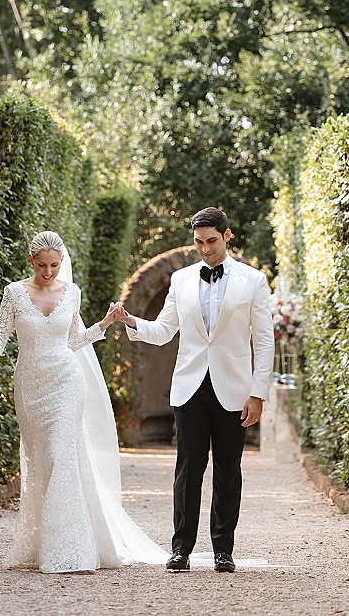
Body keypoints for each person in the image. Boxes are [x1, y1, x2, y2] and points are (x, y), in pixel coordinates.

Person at [0, 230, 167, 573]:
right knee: (42, 461)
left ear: (62, 263)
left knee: (62, 453)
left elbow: (74, 340)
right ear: (31, 261)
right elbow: (0, 338)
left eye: (55, 266)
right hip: (30, 385)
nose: (49, 272)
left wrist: (105, 323)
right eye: (42, 265)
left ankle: (72, 550)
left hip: (66, 382)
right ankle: (45, 543)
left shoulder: (71, 292)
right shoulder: (14, 293)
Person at [113, 207, 274, 574]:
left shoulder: (253, 281)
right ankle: (180, 550)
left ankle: (223, 551)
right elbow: (163, 330)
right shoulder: (181, 279)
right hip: (189, 387)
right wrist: (131, 321)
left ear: (227, 236)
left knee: (228, 471)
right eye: (198, 242)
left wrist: (257, 393)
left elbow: (264, 343)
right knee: (187, 470)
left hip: (234, 389)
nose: (204, 249)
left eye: (211, 241)